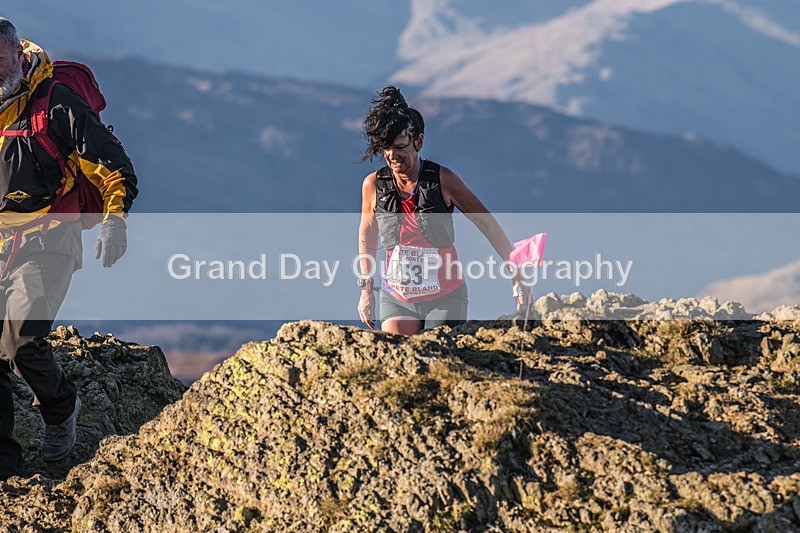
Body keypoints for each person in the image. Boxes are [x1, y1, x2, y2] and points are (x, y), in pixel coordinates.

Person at [0, 18, 137, 480]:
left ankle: (61, 409)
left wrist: (114, 222)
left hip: (50, 238)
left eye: (0, 62)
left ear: (20, 56)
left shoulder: (56, 103)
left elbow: (113, 167)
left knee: (19, 339)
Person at [357, 86, 529, 335]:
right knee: (397, 352)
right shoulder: (373, 185)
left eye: (400, 146)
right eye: (386, 148)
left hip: (445, 297)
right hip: (396, 297)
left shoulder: (443, 180)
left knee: (435, 351)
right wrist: (366, 290)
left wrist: (517, 275)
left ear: (419, 141)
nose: (392, 155)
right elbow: (367, 234)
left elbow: (487, 223)